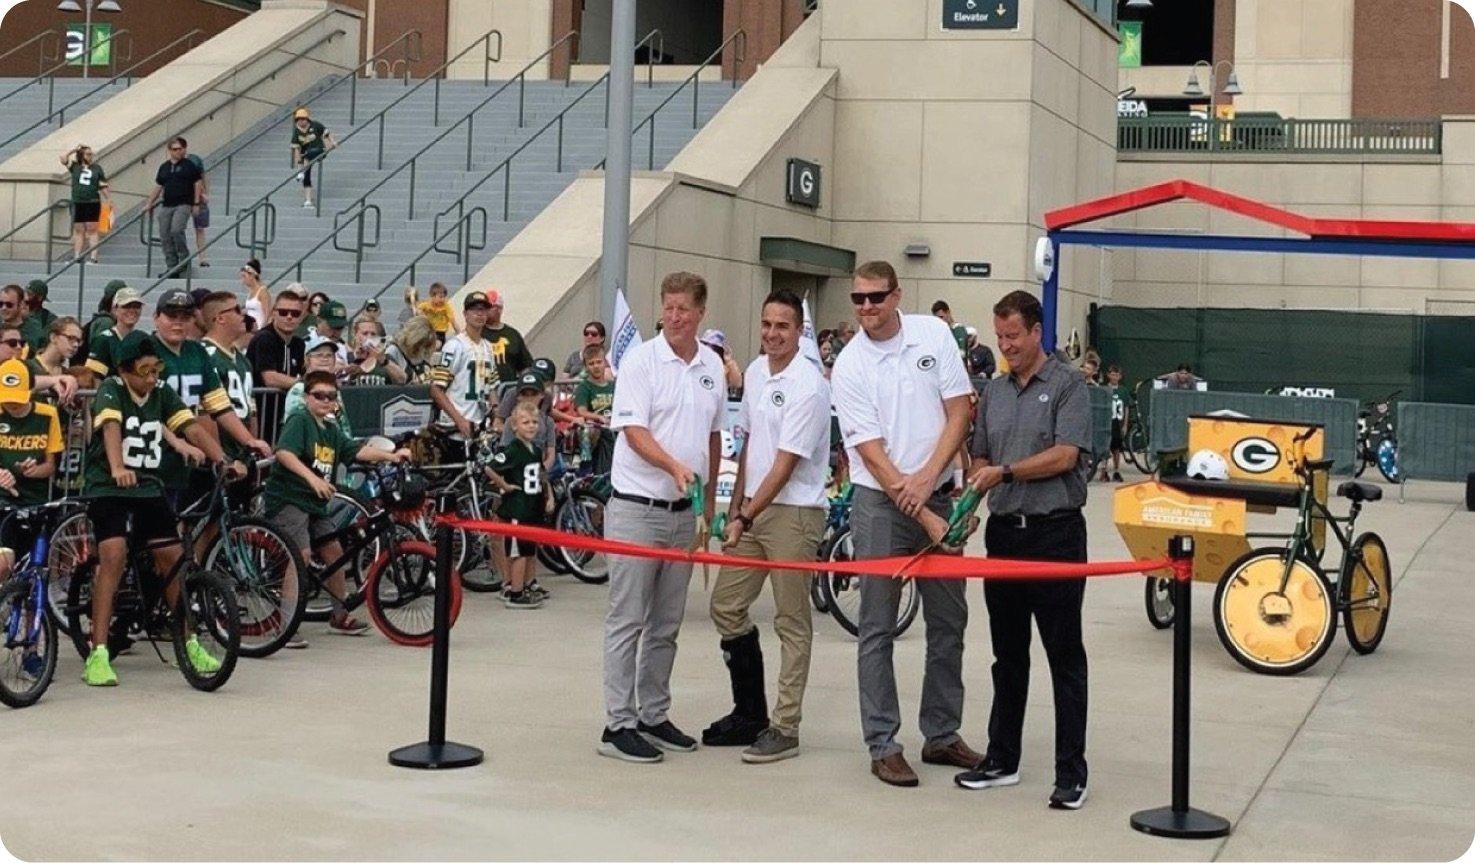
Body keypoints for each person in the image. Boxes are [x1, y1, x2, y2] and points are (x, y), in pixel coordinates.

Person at [830, 260, 978, 788]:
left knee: (949, 623)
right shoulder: (848, 366)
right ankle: (883, 744)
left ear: (897, 295)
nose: (866, 308)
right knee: (877, 627)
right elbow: (870, 452)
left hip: (935, 492)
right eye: (858, 299)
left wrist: (931, 482)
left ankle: (941, 734)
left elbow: (959, 409)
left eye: (875, 297)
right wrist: (921, 507)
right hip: (880, 504)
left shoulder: (933, 334)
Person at [957, 289, 1093, 811]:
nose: (1006, 346)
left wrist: (1006, 471)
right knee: (1007, 654)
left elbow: (1065, 455)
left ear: (1037, 332)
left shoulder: (1067, 385)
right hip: (1004, 535)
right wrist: (973, 491)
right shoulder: (993, 392)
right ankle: (1001, 758)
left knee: (1064, 654)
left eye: (1013, 336)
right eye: (1000, 338)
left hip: (1054, 534)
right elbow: (984, 455)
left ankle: (1071, 773)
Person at [599, 271, 725, 764]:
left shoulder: (713, 365)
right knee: (627, 619)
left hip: (682, 515)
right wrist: (673, 466)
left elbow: (715, 435)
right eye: (667, 307)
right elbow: (633, 430)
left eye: (683, 309)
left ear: (700, 313)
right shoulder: (641, 362)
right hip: (637, 509)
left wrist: (709, 502)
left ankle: (653, 712)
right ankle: (618, 723)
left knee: (666, 623)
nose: (673, 317)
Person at [701, 289, 830, 764]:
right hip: (752, 508)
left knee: (791, 621)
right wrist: (735, 508)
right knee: (726, 605)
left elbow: (786, 463)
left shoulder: (809, 385)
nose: (773, 334)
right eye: (767, 324)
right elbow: (750, 445)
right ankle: (749, 712)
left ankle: (785, 725)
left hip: (794, 513)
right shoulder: (755, 372)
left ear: (799, 332)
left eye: (783, 326)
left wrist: (746, 514)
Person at [80, 331, 239, 687]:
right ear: (125, 370)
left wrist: (223, 459)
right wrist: (118, 467)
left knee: (174, 558)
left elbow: (191, 428)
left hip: (149, 486)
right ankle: (99, 651)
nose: (152, 378)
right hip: (109, 486)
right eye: (145, 371)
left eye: (156, 370)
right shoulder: (112, 389)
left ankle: (189, 639)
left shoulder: (161, 392)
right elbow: (110, 427)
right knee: (114, 555)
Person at [265, 370, 410, 636]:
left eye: (331, 397)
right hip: (290, 496)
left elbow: (356, 450)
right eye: (319, 395)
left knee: (334, 551)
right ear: (307, 397)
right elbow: (284, 453)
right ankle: (285, 625)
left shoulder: (330, 429)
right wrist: (312, 479)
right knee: (301, 555)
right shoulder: (300, 420)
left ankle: (340, 615)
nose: (326, 401)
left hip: (315, 502)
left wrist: (391, 456)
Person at [151, 289, 271, 515]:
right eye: (171, 316)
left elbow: (219, 406)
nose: (178, 323)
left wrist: (249, 441)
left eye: (185, 317)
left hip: (192, 452)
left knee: (204, 517)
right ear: (156, 317)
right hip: (153, 453)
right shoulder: (146, 350)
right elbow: (144, 409)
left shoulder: (196, 352)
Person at [486, 401, 556, 609]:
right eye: (526, 422)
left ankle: (525, 585)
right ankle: (515, 592)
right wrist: (504, 485)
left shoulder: (535, 449)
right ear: (514, 426)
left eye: (535, 422)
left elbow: (542, 474)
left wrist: (549, 496)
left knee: (528, 550)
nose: (532, 426)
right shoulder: (512, 450)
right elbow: (490, 468)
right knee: (517, 552)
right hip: (517, 508)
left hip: (532, 506)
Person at [428, 291, 497, 451]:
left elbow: (491, 386)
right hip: (455, 428)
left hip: (479, 426)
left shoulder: (488, 347)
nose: (479, 314)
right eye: (474, 309)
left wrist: (496, 413)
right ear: (465, 314)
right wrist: (459, 420)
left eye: (483, 309)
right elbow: (436, 388)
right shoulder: (455, 346)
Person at [247, 286, 307, 443]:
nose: (289, 317)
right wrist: (305, 385)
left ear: (302, 317)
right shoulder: (264, 338)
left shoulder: (298, 343)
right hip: (261, 414)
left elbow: (304, 370)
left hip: (284, 414)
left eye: (295, 313)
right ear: (274, 312)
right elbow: (270, 378)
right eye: (283, 312)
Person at [0, 360, 63, 507]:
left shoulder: (48, 414)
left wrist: (34, 470)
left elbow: (50, 465)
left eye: (17, 398)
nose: (12, 404)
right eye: (6, 398)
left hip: (35, 497)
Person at [142, 137, 205, 279]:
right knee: (165, 235)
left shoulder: (189, 165)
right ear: (170, 151)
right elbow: (158, 186)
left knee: (176, 230)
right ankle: (172, 266)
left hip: (184, 203)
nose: (177, 152)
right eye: (174, 149)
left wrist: (196, 203)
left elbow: (197, 183)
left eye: (180, 149)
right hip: (167, 204)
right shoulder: (164, 167)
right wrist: (149, 203)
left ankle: (184, 262)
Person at [284, 335, 353, 431]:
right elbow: (297, 426)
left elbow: (343, 424)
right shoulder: (299, 389)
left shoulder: (333, 389)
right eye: (319, 355)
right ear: (308, 360)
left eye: (329, 355)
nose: (325, 359)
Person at [60, 143, 110, 264]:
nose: (90, 156)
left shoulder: (97, 168)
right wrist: (74, 149)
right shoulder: (75, 166)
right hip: (78, 201)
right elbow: (63, 158)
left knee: (92, 229)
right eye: (88, 154)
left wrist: (108, 198)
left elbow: (102, 184)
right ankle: (77, 256)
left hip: (92, 201)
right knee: (78, 230)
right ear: (82, 155)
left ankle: (93, 257)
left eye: (91, 154)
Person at [82, 286, 144, 382]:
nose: (132, 310)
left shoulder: (143, 340)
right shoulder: (103, 340)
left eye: (136, 306)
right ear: (115, 309)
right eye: (126, 306)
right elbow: (93, 378)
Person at [573, 343, 617, 475]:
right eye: (591, 363)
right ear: (586, 367)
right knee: (589, 431)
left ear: (605, 363)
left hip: (615, 424)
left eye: (599, 362)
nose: (596, 366)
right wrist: (599, 417)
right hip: (595, 427)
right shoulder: (584, 387)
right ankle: (586, 466)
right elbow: (582, 411)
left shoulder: (613, 386)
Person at [482, 290, 534, 382]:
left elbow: (525, 365)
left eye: (489, 307)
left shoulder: (512, 334)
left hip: (508, 389)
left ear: (499, 309)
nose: (484, 310)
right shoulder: (476, 332)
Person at [290, 106, 335, 208]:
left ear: (307, 119)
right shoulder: (297, 132)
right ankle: (308, 200)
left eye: (303, 119)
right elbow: (296, 149)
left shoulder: (315, 125)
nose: (301, 122)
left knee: (307, 156)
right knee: (307, 176)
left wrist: (332, 142)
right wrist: (299, 165)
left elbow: (327, 133)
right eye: (299, 120)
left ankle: (302, 171)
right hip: (305, 155)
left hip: (319, 150)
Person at [344, 318, 403, 385]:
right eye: (365, 333)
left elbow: (402, 380)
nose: (369, 337)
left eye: (373, 334)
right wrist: (357, 361)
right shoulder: (347, 357)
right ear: (356, 336)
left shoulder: (386, 358)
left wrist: (384, 361)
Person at [385, 316, 436, 384]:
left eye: (426, 345)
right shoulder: (393, 351)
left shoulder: (424, 352)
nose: (422, 348)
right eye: (419, 344)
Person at [1101, 364, 1128, 483]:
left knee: (1116, 448)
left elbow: (1126, 407)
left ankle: (1116, 470)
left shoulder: (1123, 390)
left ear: (1120, 376)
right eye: (1112, 374)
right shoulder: (1103, 389)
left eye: (1117, 375)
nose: (1114, 377)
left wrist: (1125, 424)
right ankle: (1103, 470)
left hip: (1118, 422)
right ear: (1108, 375)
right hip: (1106, 422)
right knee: (1105, 447)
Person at [0, 285, 45, 357]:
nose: (3, 308)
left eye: (9, 305)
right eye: (0, 304)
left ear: (21, 305)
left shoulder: (34, 330)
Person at [184, 149, 211, 268]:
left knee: (200, 228)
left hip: (198, 198)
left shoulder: (195, 160)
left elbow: (203, 177)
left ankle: (203, 257)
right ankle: (183, 257)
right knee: (178, 228)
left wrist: (206, 193)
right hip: (183, 197)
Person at [931, 300, 970, 364]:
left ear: (948, 312)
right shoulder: (938, 333)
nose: (940, 321)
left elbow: (961, 353)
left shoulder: (958, 329)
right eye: (937, 319)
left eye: (941, 317)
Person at [239, 259, 270, 330]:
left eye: (244, 276)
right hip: (249, 328)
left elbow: (267, 314)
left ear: (252, 276)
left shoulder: (263, 292)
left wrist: (262, 330)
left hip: (259, 328)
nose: (242, 280)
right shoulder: (250, 292)